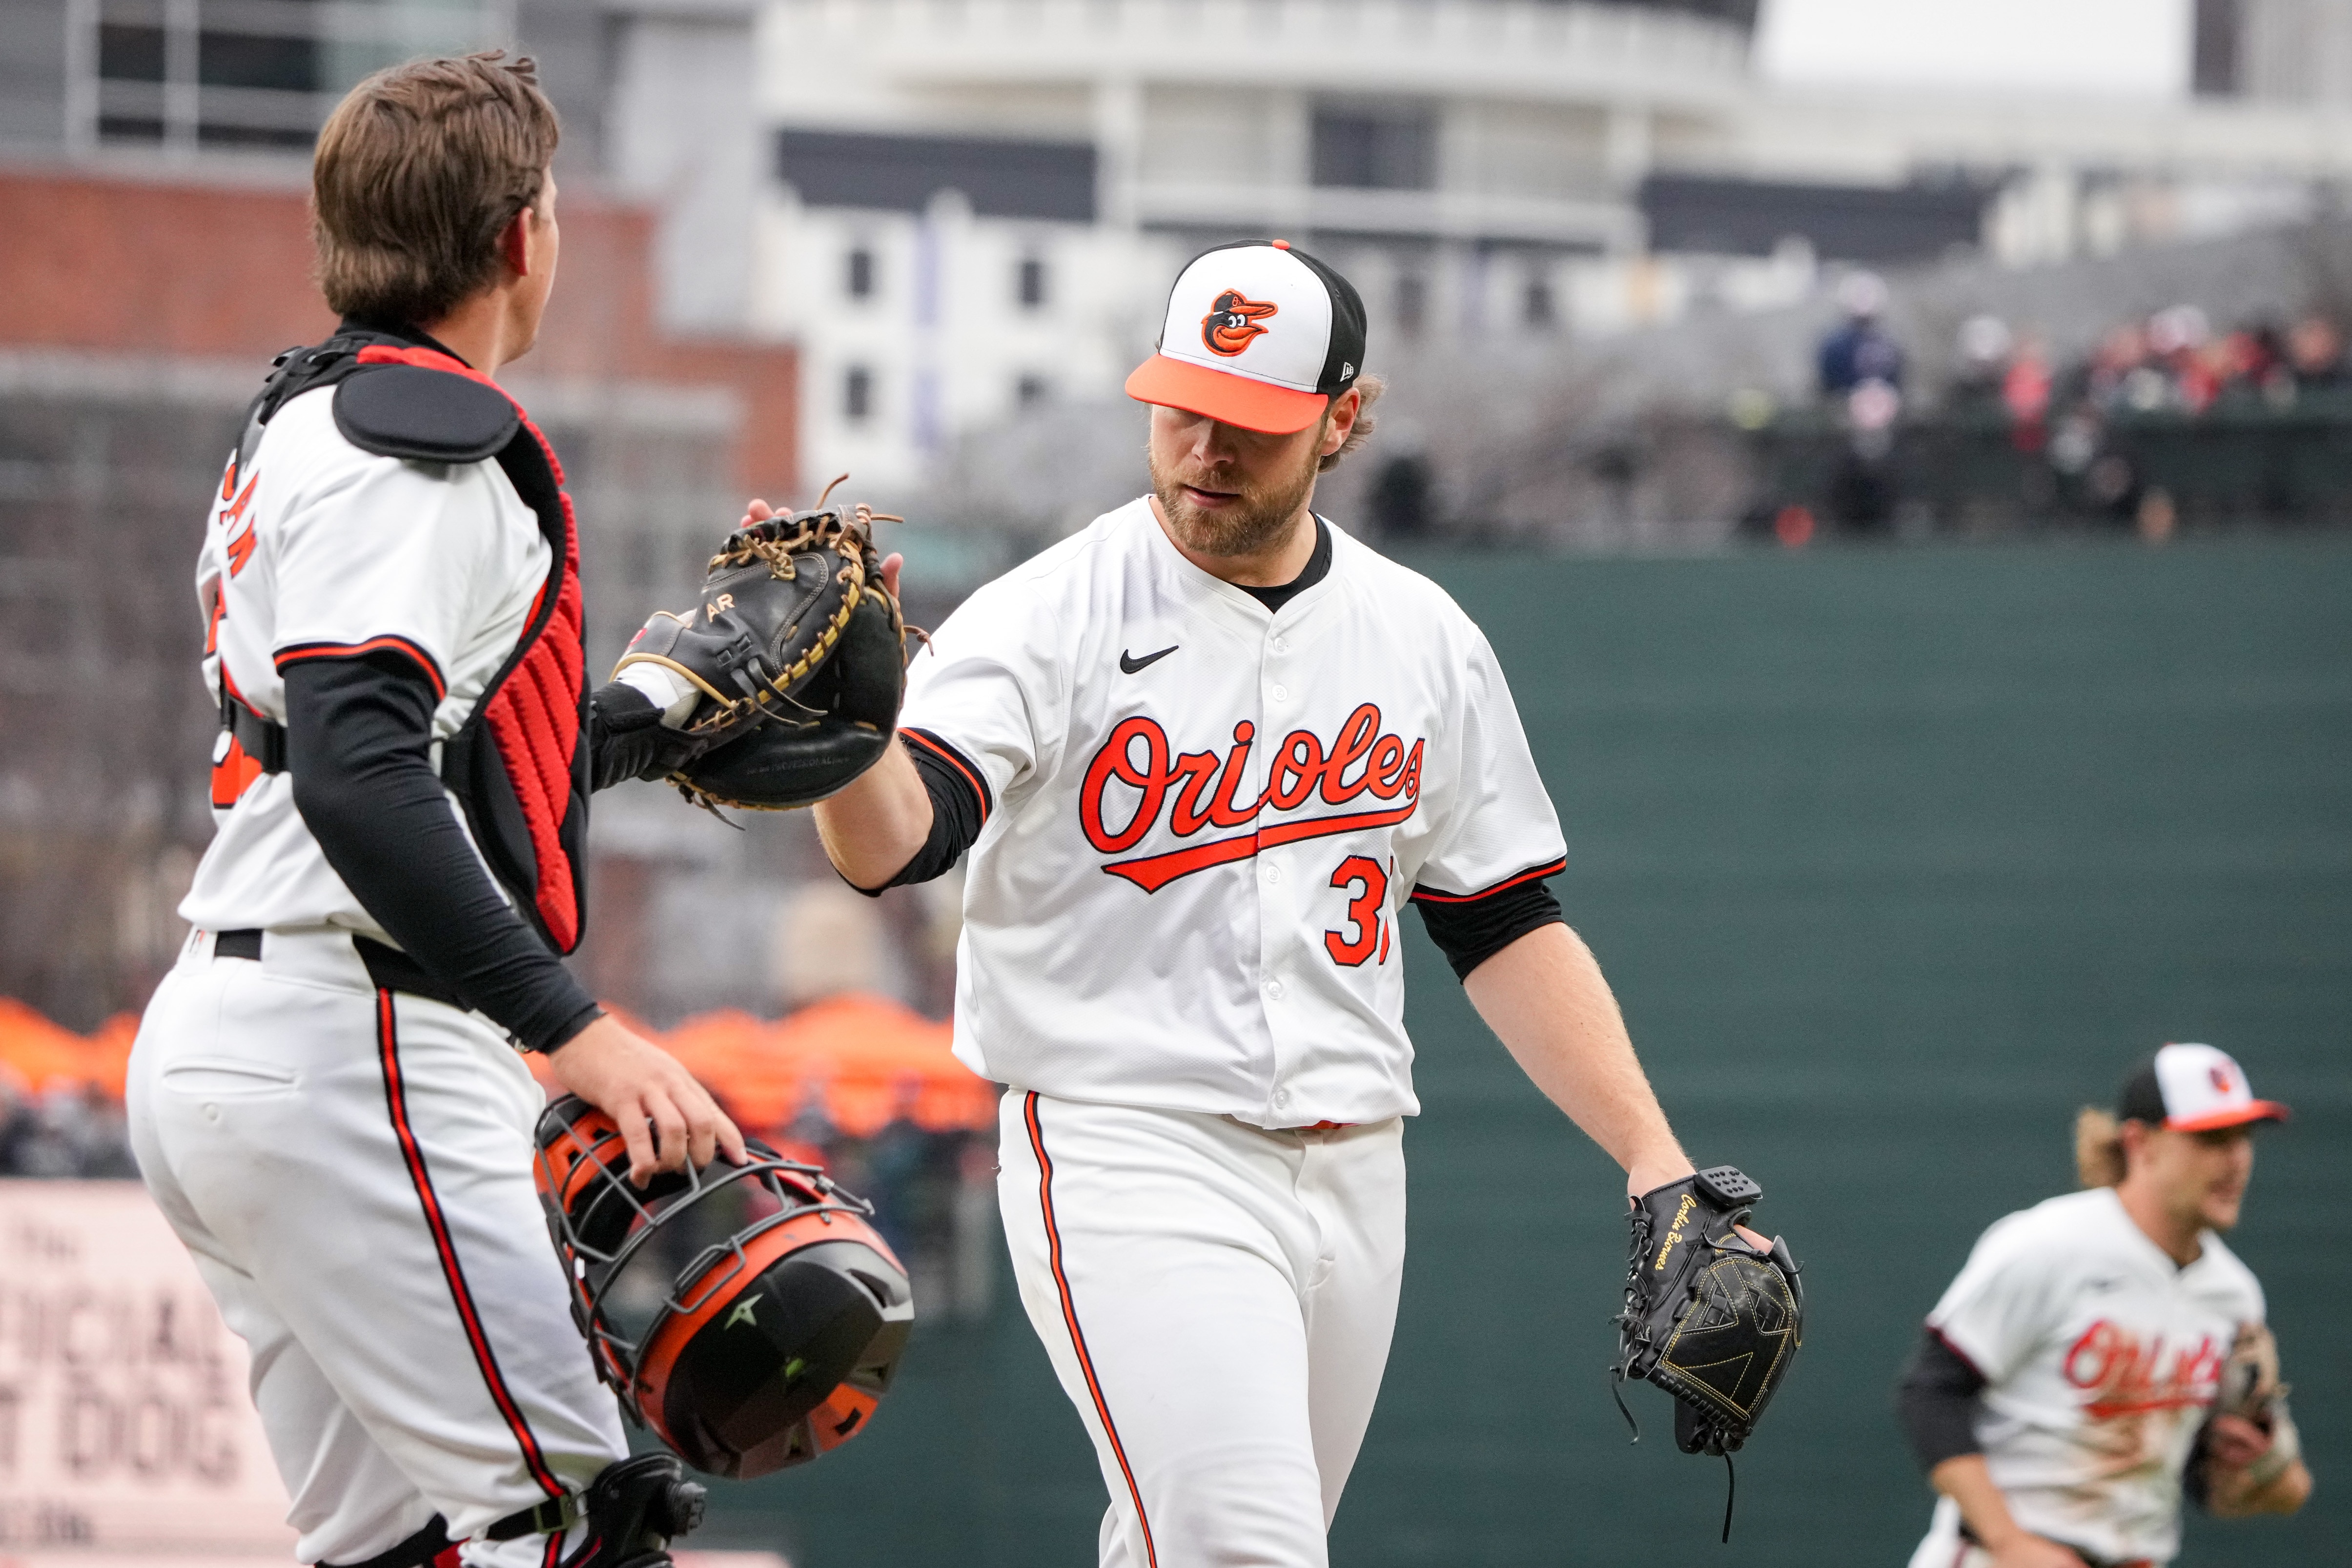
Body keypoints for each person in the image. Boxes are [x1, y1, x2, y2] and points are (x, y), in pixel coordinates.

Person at [794, 238, 1752, 1565]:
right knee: (1250, 1547)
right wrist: (847, 741)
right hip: (1129, 1144)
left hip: (1357, 1166)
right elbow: (902, 839)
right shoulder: (1048, 613)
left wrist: (1652, 1154)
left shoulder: (1421, 636)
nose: (1203, 446)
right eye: (1181, 403)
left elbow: (1503, 919)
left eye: (1248, 421)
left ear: (1342, 418)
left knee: (1182, 1544)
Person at [126, 54, 739, 1568]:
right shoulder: (421, 455)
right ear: (522, 235)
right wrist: (572, 1025)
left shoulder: (317, 416)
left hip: (257, 1031)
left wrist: (646, 724)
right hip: (361, 1045)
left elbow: (416, 749)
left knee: (412, 1547)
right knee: (579, 1522)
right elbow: (358, 773)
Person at [1895, 1043, 2311, 1568]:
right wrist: (2009, 1542)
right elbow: (1930, 1394)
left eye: (2244, 1138)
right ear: (2139, 1144)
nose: (2236, 1161)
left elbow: (2180, 1473)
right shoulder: (2048, 1245)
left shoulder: (2233, 1294)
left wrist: (2248, 1463)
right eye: (2211, 1138)